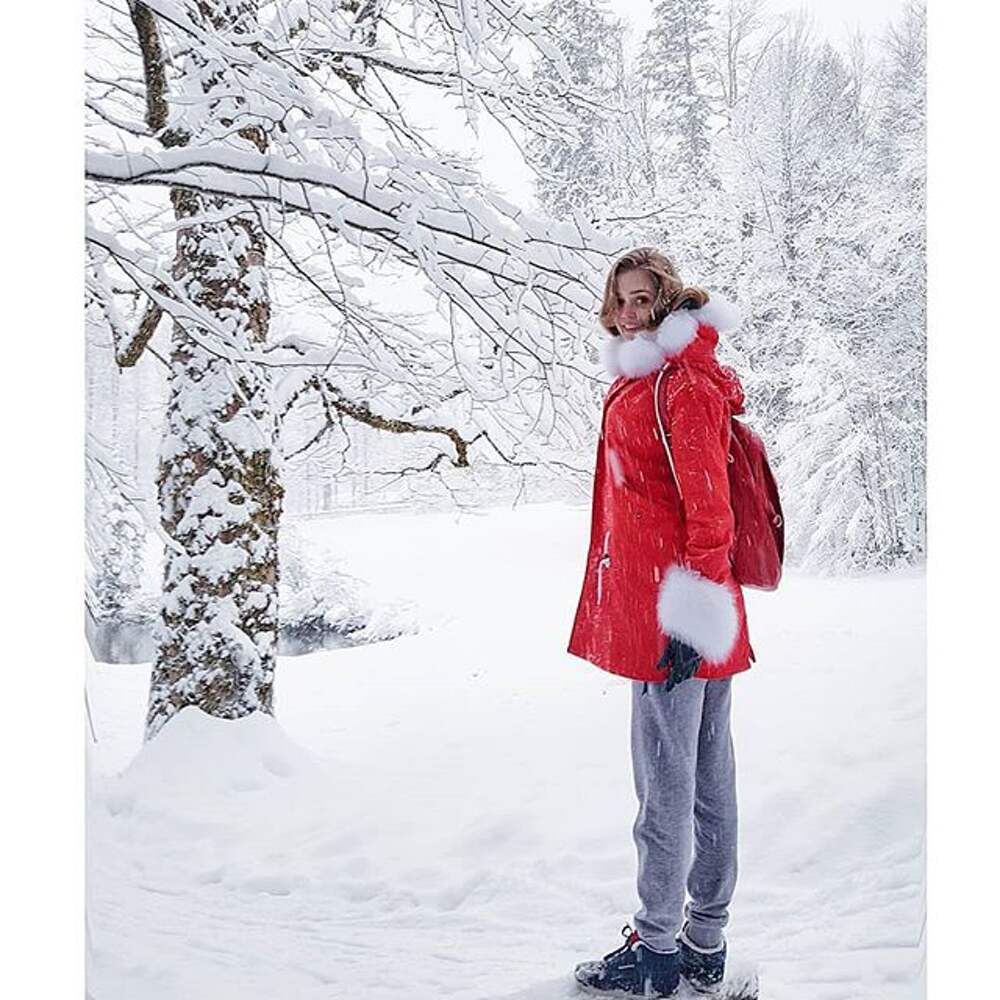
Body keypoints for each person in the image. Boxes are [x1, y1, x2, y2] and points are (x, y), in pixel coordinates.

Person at [567, 248, 753, 998]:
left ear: (667, 300)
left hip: (674, 615)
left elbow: (711, 511)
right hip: (679, 609)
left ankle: (659, 951)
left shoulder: (681, 386)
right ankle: (702, 945)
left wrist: (687, 618)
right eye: (620, 300)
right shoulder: (654, 381)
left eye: (643, 298)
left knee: (668, 788)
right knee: (703, 778)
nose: (628, 313)